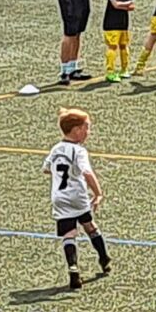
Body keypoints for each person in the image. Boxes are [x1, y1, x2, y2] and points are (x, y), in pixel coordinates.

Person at [46, 108, 110, 291]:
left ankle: (73, 268)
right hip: (77, 196)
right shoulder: (78, 151)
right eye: (86, 128)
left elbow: (46, 168)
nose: (88, 132)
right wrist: (98, 193)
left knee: (69, 234)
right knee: (89, 226)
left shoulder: (56, 149)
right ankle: (104, 258)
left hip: (59, 197)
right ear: (76, 130)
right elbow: (87, 172)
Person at [100, 0, 135, 82]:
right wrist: (125, 4)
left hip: (124, 23)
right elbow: (115, 5)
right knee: (112, 47)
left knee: (124, 46)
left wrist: (122, 5)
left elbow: (132, 7)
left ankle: (124, 69)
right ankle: (110, 71)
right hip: (111, 24)